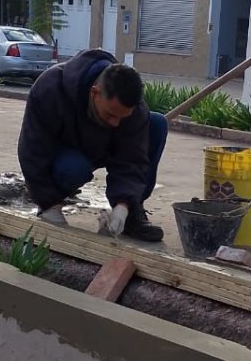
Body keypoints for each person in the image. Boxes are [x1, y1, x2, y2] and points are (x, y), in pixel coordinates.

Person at [17, 49, 167, 242]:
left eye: (122, 117)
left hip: (105, 148)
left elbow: (133, 159)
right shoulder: (51, 88)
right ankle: (52, 201)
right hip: (68, 154)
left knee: (156, 124)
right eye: (111, 115)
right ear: (94, 92)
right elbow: (32, 150)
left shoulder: (133, 110)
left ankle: (132, 213)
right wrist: (48, 202)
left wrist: (123, 205)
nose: (115, 123)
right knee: (73, 168)